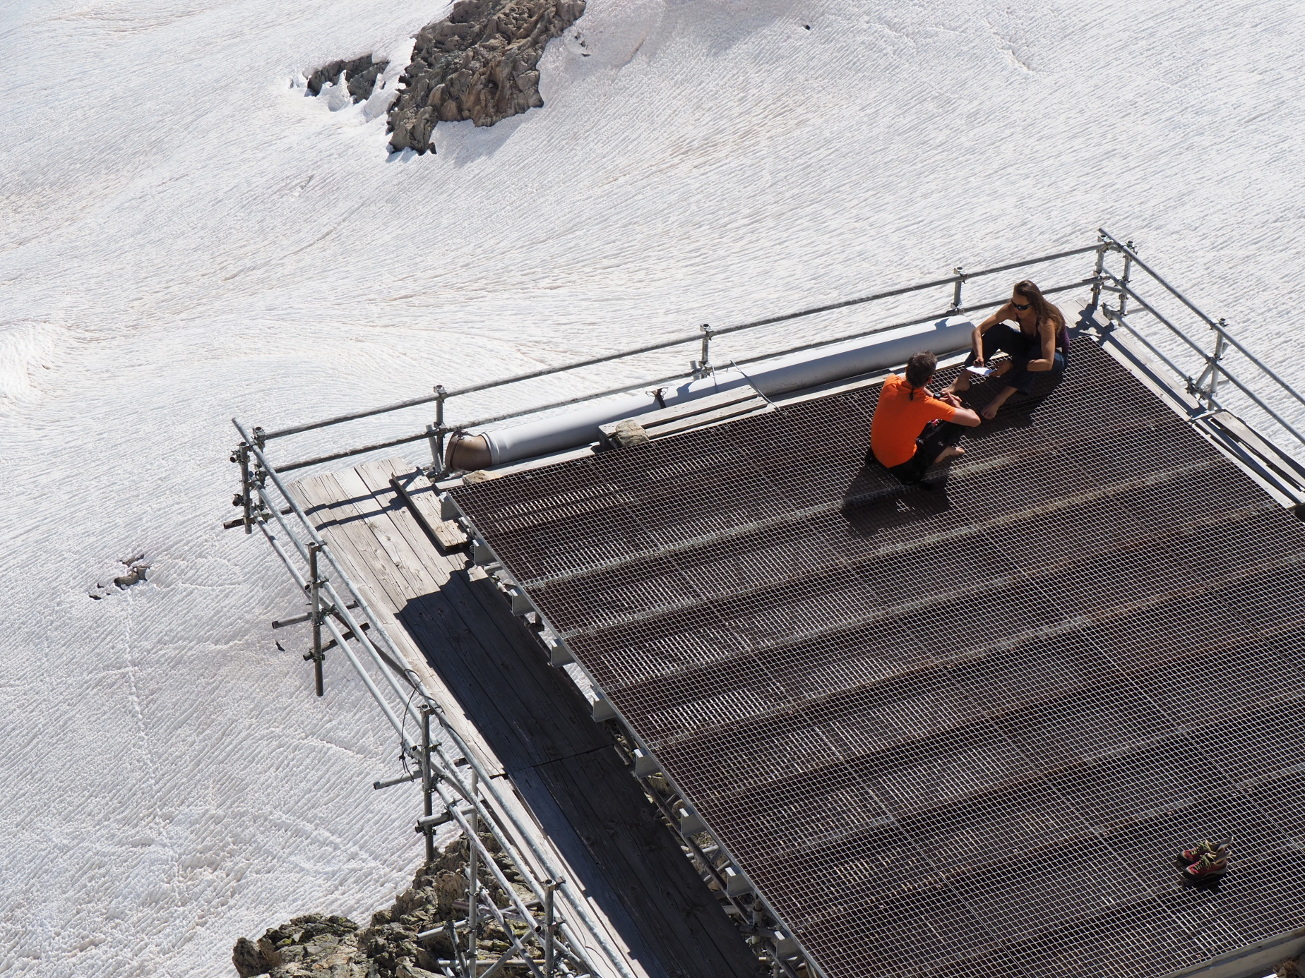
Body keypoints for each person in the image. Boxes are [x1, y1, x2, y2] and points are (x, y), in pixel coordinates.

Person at [944, 279, 1069, 418]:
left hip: (1055, 360)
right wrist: (980, 355)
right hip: (1028, 347)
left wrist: (1012, 364)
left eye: (1022, 307)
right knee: (996, 331)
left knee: (1036, 352)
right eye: (1014, 304)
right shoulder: (1012, 309)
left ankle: (1000, 399)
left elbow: (1047, 363)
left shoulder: (1046, 322)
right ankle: (963, 378)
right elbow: (977, 331)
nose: (1016, 309)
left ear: (1034, 304)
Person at [869, 351, 981, 484]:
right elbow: (974, 421)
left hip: (875, 454)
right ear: (930, 379)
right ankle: (941, 451)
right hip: (905, 469)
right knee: (959, 421)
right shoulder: (927, 405)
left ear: (906, 369)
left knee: (912, 420)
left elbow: (910, 385)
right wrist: (956, 406)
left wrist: (934, 398)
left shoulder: (890, 382)